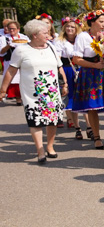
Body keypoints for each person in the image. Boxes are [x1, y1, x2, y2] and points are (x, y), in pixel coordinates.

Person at [0, 19, 67, 162]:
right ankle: (40, 150)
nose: (48, 35)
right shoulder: (21, 50)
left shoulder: (51, 47)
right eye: (45, 33)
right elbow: (11, 71)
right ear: (34, 35)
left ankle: (50, 146)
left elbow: (59, 67)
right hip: (32, 93)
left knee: (52, 120)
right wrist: (3, 90)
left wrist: (65, 84)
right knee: (35, 120)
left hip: (52, 92)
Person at [68, 10, 104, 151]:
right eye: (101, 21)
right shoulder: (83, 37)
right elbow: (76, 59)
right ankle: (97, 138)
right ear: (92, 22)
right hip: (90, 73)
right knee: (92, 107)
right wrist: (95, 65)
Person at [55, 17, 85, 137]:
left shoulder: (81, 39)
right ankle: (72, 120)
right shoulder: (60, 41)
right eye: (67, 26)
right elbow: (57, 58)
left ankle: (87, 126)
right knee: (70, 96)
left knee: (82, 96)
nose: (70, 29)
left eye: (72, 26)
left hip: (80, 68)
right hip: (67, 69)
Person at [1, 20, 29, 105]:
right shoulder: (4, 38)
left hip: (23, 62)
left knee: (23, 80)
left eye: (13, 29)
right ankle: (17, 98)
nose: (11, 31)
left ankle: (22, 97)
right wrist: (9, 45)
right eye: (9, 29)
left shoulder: (24, 38)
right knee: (12, 80)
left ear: (18, 29)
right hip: (10, 61)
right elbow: (1, 52)